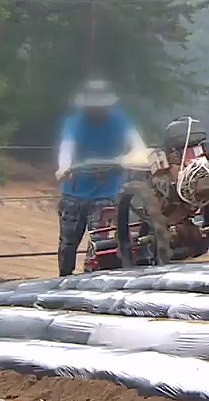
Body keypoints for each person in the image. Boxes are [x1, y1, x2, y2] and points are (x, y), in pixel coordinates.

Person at [54, 78, 149, 276]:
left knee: (102, 244)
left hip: (106, 194)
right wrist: (64, 167)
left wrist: (130, 158)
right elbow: (67, 147)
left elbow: (138, 146)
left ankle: (94, 277)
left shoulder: (119, 120)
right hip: (74, 193)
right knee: (68, 243)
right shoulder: (75, 122)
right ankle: (64, 277)